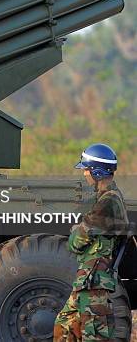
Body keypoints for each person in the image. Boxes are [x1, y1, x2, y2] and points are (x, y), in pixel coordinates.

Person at [54, 143, 129, 341]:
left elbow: (76, 241)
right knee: (65, 326)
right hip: (88, 278)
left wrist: (75, 230)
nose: (84, 174)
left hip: (95, 277)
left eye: (86, 169)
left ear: (97, 171)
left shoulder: (108, 202)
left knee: (93, 333)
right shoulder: (105, 198)